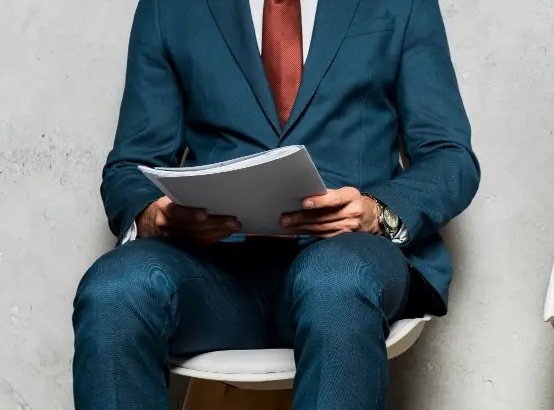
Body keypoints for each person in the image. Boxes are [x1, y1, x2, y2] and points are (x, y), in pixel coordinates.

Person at [71, 0, 479, 408]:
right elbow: (130, 166)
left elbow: (449, 157)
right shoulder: (169, 7)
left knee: (336, 279)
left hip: (348, 258)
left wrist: (376, 212)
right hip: (214, 277)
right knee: (114, 290)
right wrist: (156, 217)